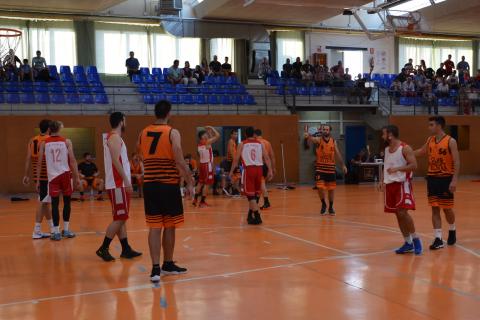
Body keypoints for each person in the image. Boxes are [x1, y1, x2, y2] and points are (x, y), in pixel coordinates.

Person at [137, 100, 194, 282]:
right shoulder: (172, 132)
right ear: (169, 113)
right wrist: (189, 179)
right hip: (168, 184)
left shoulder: (143, 132)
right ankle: (167, 264)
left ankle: (155, 269)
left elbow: (140, 154)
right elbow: (177, 154)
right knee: (170, 225)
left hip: (150, 184)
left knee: (154, 226)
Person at [96, 112, 142, 262]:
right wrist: (126, 180)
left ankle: (126, 248)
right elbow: (115, 161)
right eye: (125, 120)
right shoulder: (114, 137)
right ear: (121, 121)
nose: (126, 122)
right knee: (120, 217)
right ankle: (103, 248)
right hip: (118, 184)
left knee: (121, 217)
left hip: (117, 183)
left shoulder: (114, 137)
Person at [414, 116, 460, 250]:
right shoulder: (430, 140)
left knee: (447, 208)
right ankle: (438, 238)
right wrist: (405, 153)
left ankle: (452, 229)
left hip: (446, 178)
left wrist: (454, 180)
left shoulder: (451, 141)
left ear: (439, 126)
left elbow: (456, 161)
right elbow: (421, 151)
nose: (429, 127)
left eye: (431, 125)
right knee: (434, 208)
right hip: (432, 178)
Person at [380, 125, 422, 255]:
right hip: (390, 184)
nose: (382, 136)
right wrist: (382, 180)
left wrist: (398, 169)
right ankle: (407, 242)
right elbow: (386, 166)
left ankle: (416, 239)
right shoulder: (387, 149)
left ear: (390, 135)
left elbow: (414, 165)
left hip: (402, 184)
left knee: (403, 212)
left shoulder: (405, 148)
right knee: (398, 214)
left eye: (384, 134)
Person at [36, 121, 80, 241]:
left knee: (54, 204)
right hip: (65, 175)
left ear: (50, 129)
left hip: (53, 177)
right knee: (67, 203)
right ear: (60, 128)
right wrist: (77, 177)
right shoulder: (67, 141)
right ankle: (66, 230)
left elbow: (39, 164)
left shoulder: (44, 143)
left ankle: (55, 232)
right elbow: (73, 161)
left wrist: (38, 180)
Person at [229, 126, 273, 225]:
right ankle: (250, 215)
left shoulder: (242, 144)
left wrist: (231, 171)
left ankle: (257, 217)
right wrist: (270, 170)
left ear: (245, 134)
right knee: (256, 194)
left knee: (250, 196)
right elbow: (266, 158)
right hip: (259, 169)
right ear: (254, 134)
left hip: (249, 169)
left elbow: (236, 159)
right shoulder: (260, 143)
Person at [304, 124, 347, 215]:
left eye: (327, 129)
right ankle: (323, 204)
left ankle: (331, 207)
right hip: (320, 168)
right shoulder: (319, 139)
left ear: (329, 131)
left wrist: (343, 165)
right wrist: (308, 135)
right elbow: (310, 140)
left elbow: (338, 154)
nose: (325, 131)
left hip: (330, 168)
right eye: (324, 129)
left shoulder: (333, 141)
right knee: (320, 187)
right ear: (322, 130)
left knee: (331, 189)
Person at [22, 119, 54, 239]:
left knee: (45, 202)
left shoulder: (32, 140)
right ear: (49, 129)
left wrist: (26, 175)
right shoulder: (48, 140)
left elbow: (27, 159)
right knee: (42, 201)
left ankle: (52, 228)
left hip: (37, 174)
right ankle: (36, 230)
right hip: (45, 174)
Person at [193, 126, 220, 207]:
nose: (207, 136)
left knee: (200, 183)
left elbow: (210, 139)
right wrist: (212, 128)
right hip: (207, 165)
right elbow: (217, 136)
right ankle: (202, 202)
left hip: (201, 164)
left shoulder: (200, 143)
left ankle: (195, 200)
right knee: (207, 184)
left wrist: (209, 132)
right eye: (206, 135)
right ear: (203, 136)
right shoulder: (207, 142)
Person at [254, 129, 275, 210]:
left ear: (255, 135)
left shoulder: (256, 143)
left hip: (260, 165)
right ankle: (257, 201)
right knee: (260, 184)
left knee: (262, 184)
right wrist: (273, 168)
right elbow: (272, 157)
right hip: (266, 166)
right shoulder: (267, 143)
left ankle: (266, 202)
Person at [223, 129, 240, 196]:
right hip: (231, 161)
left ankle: (234, 190)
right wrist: (235, 161)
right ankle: (228, 188)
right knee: (237, 176)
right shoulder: (230, 141)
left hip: (233, 161)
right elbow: (230, 151)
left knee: (236, 176)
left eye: (236, 134)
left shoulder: (234, 142)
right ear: (231, 135)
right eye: (234, 134)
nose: (236, 135)